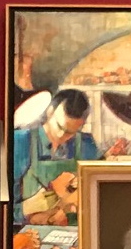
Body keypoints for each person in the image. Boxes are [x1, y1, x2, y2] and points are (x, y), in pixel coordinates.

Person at [13, 88, 101, 224]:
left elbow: (98, 200)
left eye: (70, 132)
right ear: (50, 112)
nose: (61, 135)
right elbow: (3, 209)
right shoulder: (20, 142)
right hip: (27, 232)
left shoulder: (86, 145)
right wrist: (27, 207)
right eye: (59, 127)